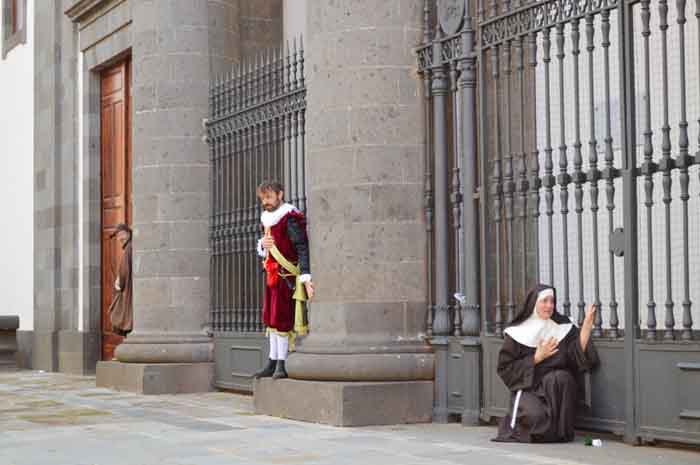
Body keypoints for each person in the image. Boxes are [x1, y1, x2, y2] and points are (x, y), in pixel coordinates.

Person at [493, 284, 599, 443]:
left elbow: (574, 355)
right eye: (544, 301)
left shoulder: (562, 327)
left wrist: (585, 328)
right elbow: (505, 368)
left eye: (552, 301)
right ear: (533, 303)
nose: (549, 305)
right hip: (529, 388)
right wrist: (536, 358)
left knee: (562, 377)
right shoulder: (517, 332)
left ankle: (560, 432)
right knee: (536, 420)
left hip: (555, 387)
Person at [253, 181, 314, 380]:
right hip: (272, 277)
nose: (265, 202)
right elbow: (267, 251)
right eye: (263, 198)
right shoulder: (268, 219)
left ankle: (282, 362)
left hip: (287, 278)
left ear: (280, 194)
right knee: (271, 320)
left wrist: (305, 276)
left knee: (282, 321)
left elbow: (302, 248)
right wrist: (263, 244)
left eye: (269, 197)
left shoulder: (290, 219)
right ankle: (272, 360)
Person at [108, 223, 133, 339]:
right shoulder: (129, 247)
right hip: (128, 290)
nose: (120, 238)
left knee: (120, 315)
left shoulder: (129, 249)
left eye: (122, 234)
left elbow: (124, 272)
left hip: (127, 290)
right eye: (118, 236)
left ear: (128, 234)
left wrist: (119, 283)